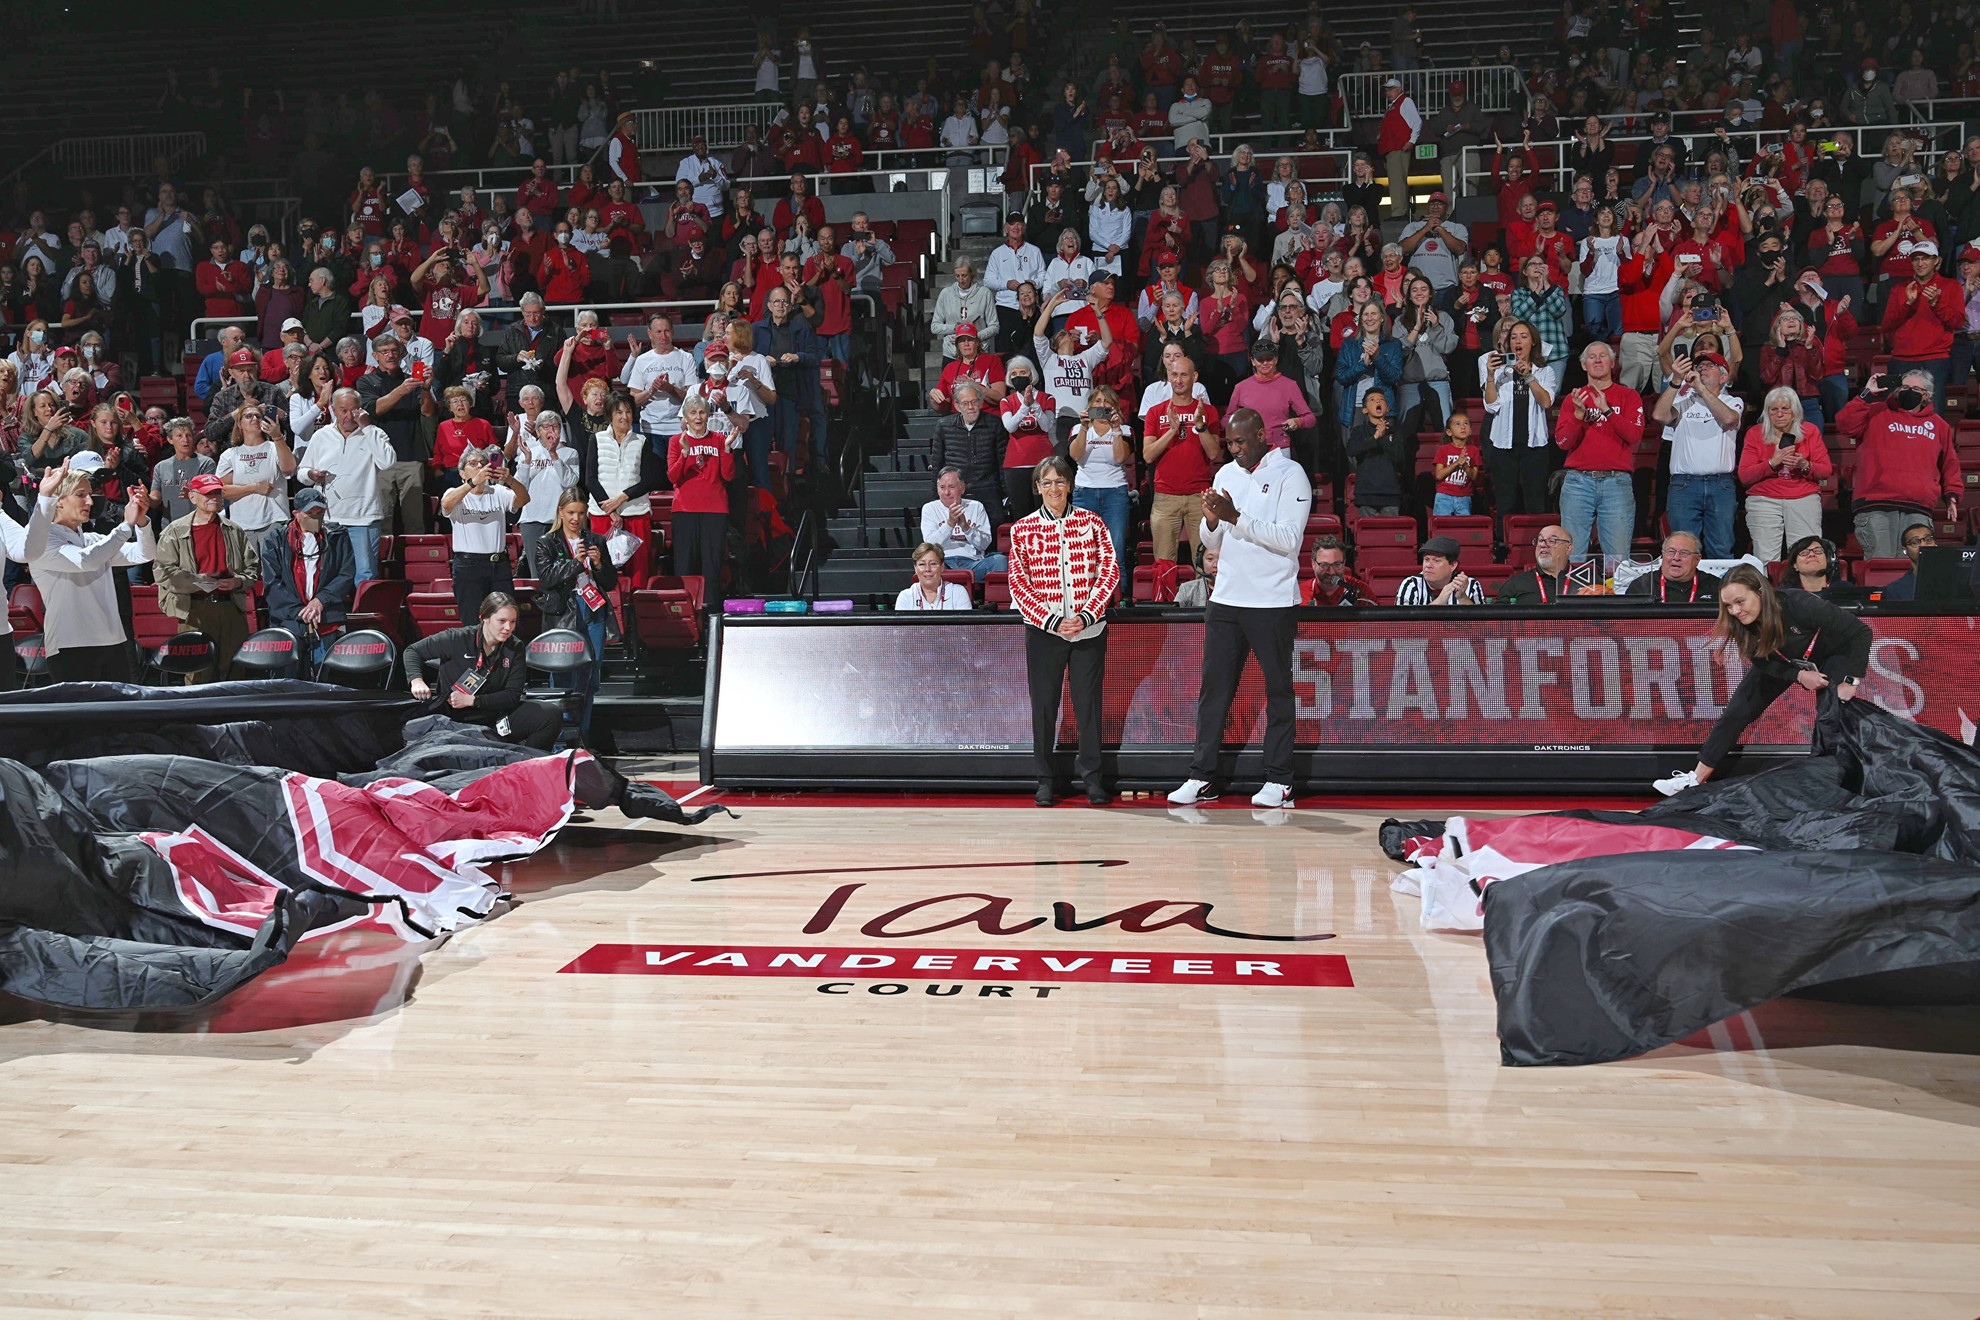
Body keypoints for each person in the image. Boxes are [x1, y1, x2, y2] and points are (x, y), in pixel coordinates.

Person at [1168, 408, 1311, 810]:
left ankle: (1280, 780)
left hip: (1272, 601)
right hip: (1226, 599)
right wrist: (1213, 521)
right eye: (1230, 443)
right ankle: (1202, 776)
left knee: (1278, 690)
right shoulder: (1226, 474)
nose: (1235, 450)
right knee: (1214, 690)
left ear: (1263, 435)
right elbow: (1212, 540)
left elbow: (1288, 539)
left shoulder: (1290, 474)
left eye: (1242, 442)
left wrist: (1236, 517)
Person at [1652, 564, 1871, 796]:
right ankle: (1695, 779)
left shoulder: (1800, 603)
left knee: (1831, 717)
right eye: (1728, 606)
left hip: (1832, 654)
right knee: (1737, 710)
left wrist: (1851, 681)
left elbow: (1860, 632)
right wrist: (1799, 675)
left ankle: (1832, 786)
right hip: (1786, 661)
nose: (1735, 610)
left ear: (1759, 592)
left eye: (1740, 601)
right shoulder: (1741, 622)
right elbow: (1761, 661)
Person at [1008, 455, 1121, 806]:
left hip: (1089, 632)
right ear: (1037, 488)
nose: (1054, 488)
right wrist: (1052, 620)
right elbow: (1018, 583)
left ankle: (1092, 778)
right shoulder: (1022, 529)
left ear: (1070, 485)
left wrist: (1087, 616)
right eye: (1047, 482)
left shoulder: (1093, 523)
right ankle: (1045, 779)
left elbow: (1109, 571)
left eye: (1060, 481)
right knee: (1044, 707)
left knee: (1088, 708)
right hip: (1044, 633)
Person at [31, 463, 155, 682]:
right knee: (78, 716)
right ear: (58, 500)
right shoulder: (40, 542)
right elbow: (85, 560)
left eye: (90, 495)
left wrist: (142, 522)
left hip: (112, 642)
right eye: (81, 495)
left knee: (117, 715)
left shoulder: (92, 540)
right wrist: (126, 525)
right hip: (70, 645)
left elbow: (143, 554)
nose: (90, 501)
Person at [404, 592, 560, 751]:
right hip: (452, 721)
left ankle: (529, 764)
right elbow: (412, 651)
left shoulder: (515, 647)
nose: (508, 628)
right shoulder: (457, 638)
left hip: (494, 719)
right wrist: (416, 680)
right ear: (484, 617)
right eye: (502, 621)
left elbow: (512, 695)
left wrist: (473, 700)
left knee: (549, 714)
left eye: (513, 622)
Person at [1836, 368, 1960, 559]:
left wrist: (1952, 494)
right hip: (1876, 503)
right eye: (1904, 387)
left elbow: (1949, 463)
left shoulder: (1939, 425)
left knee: (1915, 569)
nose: (1907, 391)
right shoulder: (1875, 411)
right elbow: (1844, 424)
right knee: (1880, 565)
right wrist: (1866, 395)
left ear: (1926, 396)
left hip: (1918, 505)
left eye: (1915, 388)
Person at [153, 472, 259, 682]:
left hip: (231, 608)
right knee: (197, 672)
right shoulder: (175, 531)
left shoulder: (233, 529)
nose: (215, 498)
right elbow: (163, 571)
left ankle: (236, 715)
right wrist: (197, 580)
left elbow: (253, 568)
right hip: (195, 610)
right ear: (193, 497)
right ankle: (196, 715)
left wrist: (238, 581)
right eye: (208, 494)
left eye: (218, 493)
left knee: (235, 671)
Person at [534, 488, 618, 734]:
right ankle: (559, 737)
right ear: (561, 512)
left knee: (590, 676)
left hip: (594, 610)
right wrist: (576, 564)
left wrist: (600, 564)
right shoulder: (546, 542)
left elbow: (610, 582)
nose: (576, 518)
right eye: (571, 512)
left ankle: (582, 736)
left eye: (581, 513)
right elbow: (547, 579)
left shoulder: (597, 540)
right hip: (564, 612)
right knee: (562, 675)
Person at [1556, 341, 1646, 562]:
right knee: (1572, 555)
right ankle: (1574, 596)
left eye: (1603, 356)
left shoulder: (1629, 396)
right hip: (1578, 482)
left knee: (1617, 558)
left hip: (1617, 483)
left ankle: (1614, 596)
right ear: (1584, 365)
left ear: (1613, 363)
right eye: (1592, 356)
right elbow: (1563, 442)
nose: (1597, 360)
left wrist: (1607, 411)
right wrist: (1578, 416)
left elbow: (1634, 435)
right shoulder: (1573, 399)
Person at [259, 487, 355, 671]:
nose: (316, 518)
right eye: (310, 513)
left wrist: (320, 601)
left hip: (326, 617)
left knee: (324, 676)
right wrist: (301, 612)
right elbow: (272, 582)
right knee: (288, 678)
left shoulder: (337, 535)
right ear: (296, 513)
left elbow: (346, 574)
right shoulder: (276, 539)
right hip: (289, 620)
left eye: (320, 513)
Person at [580, 389, 663, 591]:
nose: (624, 416)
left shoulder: (641, 441)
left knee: (639, 571)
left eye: (628, 412)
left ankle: (638, 614)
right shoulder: (597, 440)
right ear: (610, 415)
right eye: (619, 412)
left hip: (636, 514)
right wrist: (612, 510)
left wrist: (623, 498)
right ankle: (609, 614)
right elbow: (590, 480)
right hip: (603, 516)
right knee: (603, 569)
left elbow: (649, 480)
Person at [1143, 357, 1221, 566]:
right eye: (1174, 375)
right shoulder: (1156, 412)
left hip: (1200, 496)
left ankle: (1203, 600)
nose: (1178, 380)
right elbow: (1148, 455)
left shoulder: (1208, 412)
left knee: (1204, 561)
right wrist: (1172, 431)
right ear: (1168, 376)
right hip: (1165, 497)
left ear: (1194, 377)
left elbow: (1214, 453)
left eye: (1184, 375)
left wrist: (1200, 425)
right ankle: (1164, 601)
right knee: (1163, 563)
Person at [1739, 388, 1832, 563]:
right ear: (1767, 412)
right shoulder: (1755, 433)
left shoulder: (1809, 431)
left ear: (1795, 411)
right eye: (1774, 409)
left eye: (1785, 409)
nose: (1779, 414)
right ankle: (1768, 589)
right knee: (1766, 558)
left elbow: (1825, 470)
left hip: (1803, 497)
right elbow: (1745, 476)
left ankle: (1803, 590)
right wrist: (1772, 463)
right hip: (1764, 499)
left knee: (1806, 556)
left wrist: (1804, 465)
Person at [440, 448, 527, 626]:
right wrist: (473, 483)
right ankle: (475, 654)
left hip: (499, 565)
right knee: (473, 621)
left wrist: (509, 479)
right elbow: (446, 504)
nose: (479, 465)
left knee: (505, 619)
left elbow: (524, 499)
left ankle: (503, 654)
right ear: (462, 473)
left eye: (482, 462)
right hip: (468, 566)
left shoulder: (498, 492)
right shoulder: (454, 493)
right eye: (473, 463)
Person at [1480, 319, 1554, 521]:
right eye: (1513, 337)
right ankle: (1504, 548)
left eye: (1523, 336)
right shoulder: (1500, 372)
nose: (1518, 341)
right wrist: (1490, 376)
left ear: (1533, 342)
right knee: (1505, 503)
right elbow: (1491, 405)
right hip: (1503, 446)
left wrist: (1529, 377)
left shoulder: (1545, 372)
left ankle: (1537, 548)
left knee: (1535, 502)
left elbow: (1546, 402)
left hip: (1535, 447)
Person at [1882, 238, 1963, 412]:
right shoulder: (1899, 289)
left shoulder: (1951, 286)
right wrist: (1908, 304)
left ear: (1936, 261)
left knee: (1933, 412)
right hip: (1902, 358)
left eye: (1925, 258)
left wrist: (1936, 303)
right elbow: (1887, 324)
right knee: (1897, 412)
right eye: (1916, 259)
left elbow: (1957, 321)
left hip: (1935, 359)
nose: (1920, 263)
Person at [667, 396, 736, 585]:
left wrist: (728, 449)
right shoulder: (676, 441)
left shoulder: (720, 440)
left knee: (712, 565)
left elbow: (728, 476)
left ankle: (712, 609)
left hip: (715, 509)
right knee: (685, 564)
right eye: (693, 413)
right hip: (685, 510)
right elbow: (673, 477)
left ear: (708, 416)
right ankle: (688, 611)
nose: (698, 417)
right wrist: (685, 454)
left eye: (702, 412)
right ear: (686, 418)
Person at [1068, 383, 1131, 557]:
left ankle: (1117, 585)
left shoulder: (1125, 430)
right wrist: (1083, 427)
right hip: (1084, 494)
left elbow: (1119, 458)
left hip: (1115, 494)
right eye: (1098, 401)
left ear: (1114, 407)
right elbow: (1076, 456)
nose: (1102, 405)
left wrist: (1116, 429)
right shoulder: (1077, 429)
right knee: (1083, 552)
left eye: (1107, 402)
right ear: (1090, 405)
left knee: (1115, 552)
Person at [921, 467, 1005, 581]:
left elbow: (984, 544)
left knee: (1000, 561)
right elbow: (930, 544)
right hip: (944, 563)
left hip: (973, 563)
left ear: (962, 488)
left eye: (952, 487)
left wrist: (966, 527)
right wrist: (950, 524)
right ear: (937, 489)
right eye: (942, 487)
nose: (946, 492)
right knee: (929, 566)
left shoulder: (976, 507)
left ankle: (994, 599)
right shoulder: (930, 508)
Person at [1345, 390, 1408, 518]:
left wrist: (1383, 437)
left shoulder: (1396, 432)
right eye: (1372, 400)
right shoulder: (1359, 431)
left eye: (1382, 399)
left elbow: (1400, 456)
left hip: (1390, 493)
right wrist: (1374, 438)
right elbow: (1351, 450)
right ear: (1365, 410)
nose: (1378, 401)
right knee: (1368, 534)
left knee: (1389, 533)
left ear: (1388, 408)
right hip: (1366, 493)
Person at [1624, 531, 1722, 602]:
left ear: (1697, 559)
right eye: (1671, 551)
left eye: (1684, 553)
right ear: (1663, 554)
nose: (1676, 557)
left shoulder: (1715, 587)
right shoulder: (1642, 586)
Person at [1394, 534, 1485, 605]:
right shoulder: (1411, 585)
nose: (1428, 565)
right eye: (1426, 559)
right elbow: (1403, 627)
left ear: (1452, 565)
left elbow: (1483, 626)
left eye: (1436, 561)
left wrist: (1462, 597)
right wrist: (1440, 601)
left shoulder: (1470, 585)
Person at [1496, 524, 1576, 603]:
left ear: (1568, 548)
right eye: (1540, 540)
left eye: (1551, 541)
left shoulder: (1585, 580)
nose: (1543, 545)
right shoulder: (1516, 584)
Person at [897, 541, 974, 612]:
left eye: (933, 564)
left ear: (942, 567)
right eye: (922, 564)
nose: (927, 569)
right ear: (915, 568)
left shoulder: (958, 592)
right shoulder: (905, 597)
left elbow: (964, 626)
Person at [1302, 536, 1375, 606]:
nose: (1331, 572)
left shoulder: (1361, 591)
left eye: (1337, 564)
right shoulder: (1299, 593)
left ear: (1344, 563)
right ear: (1313, 564)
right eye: (1324, 565)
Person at [1431, 412, 1480, 516]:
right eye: (1457, 424)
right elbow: (1439, 475)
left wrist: (1465, 466)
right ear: (1449, 432)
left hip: (1464, 497)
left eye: (1466, 424)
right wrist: (1456, 463)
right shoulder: (1443, 450)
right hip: (1444, 496)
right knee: (1442, 525)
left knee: (1463, 528)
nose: (1463, 427)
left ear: (1470, 431)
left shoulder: (1474, 451)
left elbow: (1474, 476)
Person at [1877, 523, 1937, 600]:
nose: (1923, 546)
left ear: (1935, 544)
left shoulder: (1955, 578)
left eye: (1928, 540)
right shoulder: (1895, 590)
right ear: (1905, 550)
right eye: (1915, 542)